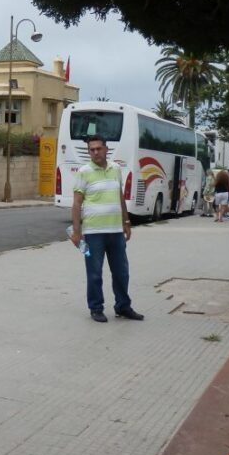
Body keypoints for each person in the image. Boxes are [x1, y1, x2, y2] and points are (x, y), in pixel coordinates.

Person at [70, 135, 144, 323]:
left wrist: (126, 222)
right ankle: (96, 308)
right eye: (91, 149)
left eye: (98, 148)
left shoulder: (116, 169)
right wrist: (77, 232)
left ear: (106, 149)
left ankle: (123, 306)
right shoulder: (83, 172)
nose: (95, 152)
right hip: (92, 234)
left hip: (115, 232)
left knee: (122, 272)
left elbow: (120, 196)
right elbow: (77, 203)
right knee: (94, 273)